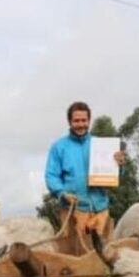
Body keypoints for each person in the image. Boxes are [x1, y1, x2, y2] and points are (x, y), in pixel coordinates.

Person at [45, 101, 125, 239]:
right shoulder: (59, 147)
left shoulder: (101, 145)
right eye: (76, 121)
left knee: (104, 255)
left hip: (100, 209)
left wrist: (120, 164)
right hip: (73, 211)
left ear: (89, 121)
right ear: (69, 122)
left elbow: (116, 176)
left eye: (84, 120)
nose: (81, 124)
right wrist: (62, 193)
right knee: (74, 257)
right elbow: (51, 176)